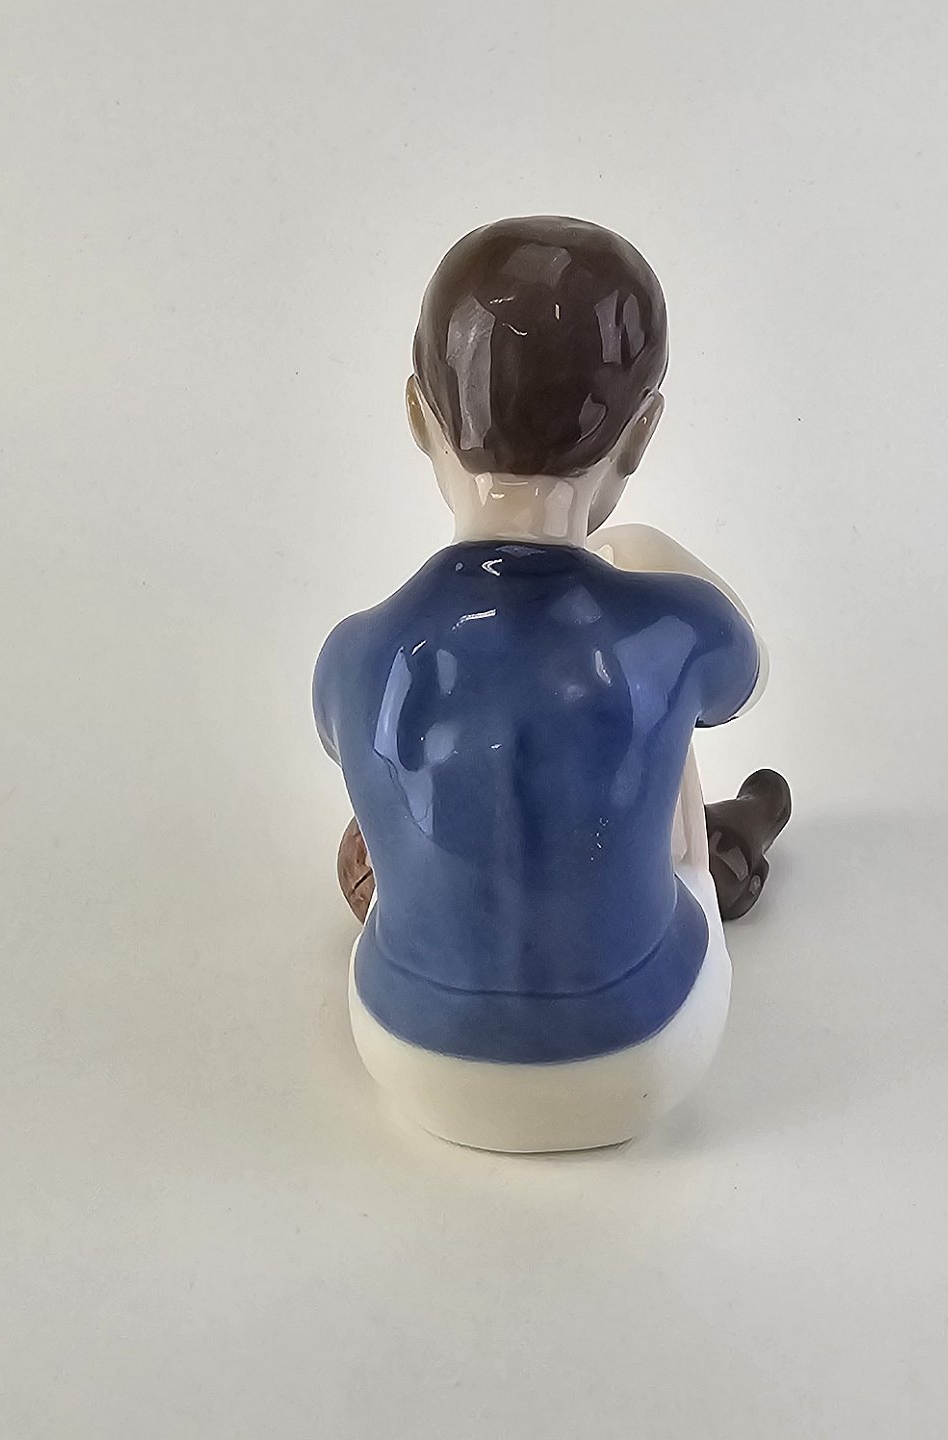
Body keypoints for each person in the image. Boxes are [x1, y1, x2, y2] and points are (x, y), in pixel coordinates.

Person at [313, 216, 789, 1150]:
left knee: (393, 796)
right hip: (646, 1052)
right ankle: (704, 866)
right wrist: (644, 552)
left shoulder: (352, 653)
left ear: (415, 414)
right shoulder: (670, 625)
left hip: (406, 1050)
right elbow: (747, 681)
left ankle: (439, 913)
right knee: (660, 708)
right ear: (642, 433)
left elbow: (352, 743)